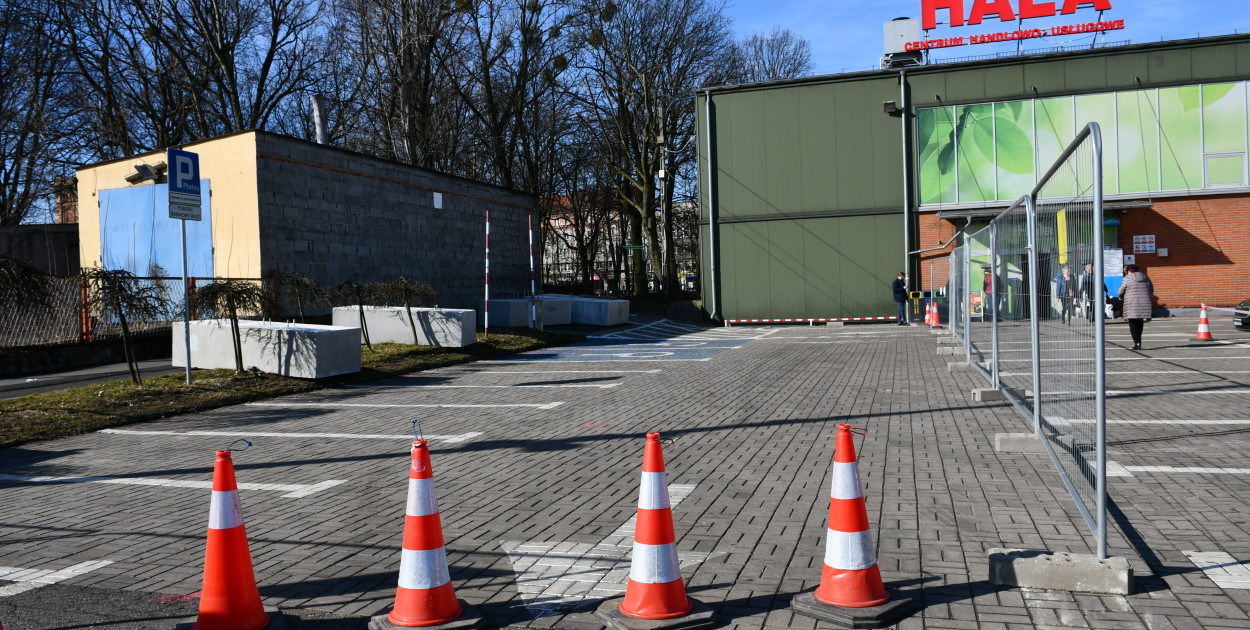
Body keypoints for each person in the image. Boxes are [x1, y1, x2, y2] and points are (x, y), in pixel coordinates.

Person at [1118, 264, 1154, 350]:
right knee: (1140, 322)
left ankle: (1137, 342)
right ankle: (1138, 341)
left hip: (1132, 303)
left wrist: (1121, 296)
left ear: (1129, 271)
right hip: (1144, 303)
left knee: (1133, 323)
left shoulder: (1127, 278)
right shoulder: (1146, 277)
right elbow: (1151, 290)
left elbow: (1120, 291)